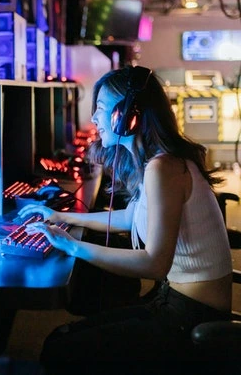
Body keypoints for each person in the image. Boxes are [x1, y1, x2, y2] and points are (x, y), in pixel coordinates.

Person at [17, 65, 232, 367]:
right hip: (174, 302)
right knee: (66, 337)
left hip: (191, 317)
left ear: (128, 116)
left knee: (60, 348)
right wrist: (64, 218)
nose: (93, 118)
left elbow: (155, 263)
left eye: (101, 109)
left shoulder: (163, 168)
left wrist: (73, 246)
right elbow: (131, 218)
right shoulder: (157, 162)